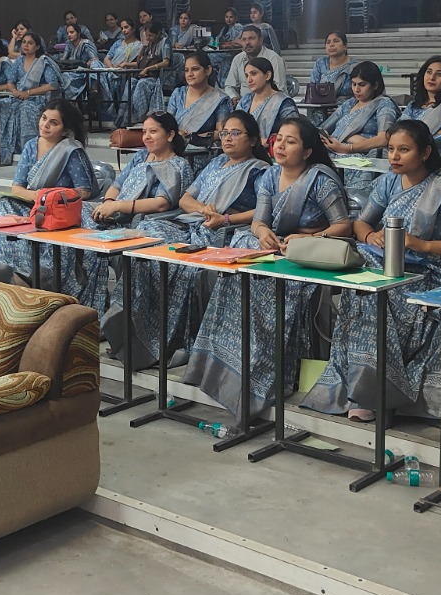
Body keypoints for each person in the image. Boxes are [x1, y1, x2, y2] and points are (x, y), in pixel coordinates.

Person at [303, 120, 441, 422]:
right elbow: (361, 222)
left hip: (428, 272)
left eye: (403, 150)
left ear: (425, 152)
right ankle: (361, 387)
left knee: (376, 296)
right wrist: (370, 236)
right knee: (362, 289)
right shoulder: (389, 182)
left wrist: (424, 245)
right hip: (386, 265)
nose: (394, 156)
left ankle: (373, 391)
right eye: (391, 149)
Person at [182, 117, 351, 421]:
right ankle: (224, 371)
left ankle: (260, 379)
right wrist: (262, 234)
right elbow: (259, 221)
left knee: (265, 290)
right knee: (236, 277)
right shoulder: (271, 176)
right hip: (274, 248)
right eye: (278, 139)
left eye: (291, 141)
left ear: (307, 151)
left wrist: (310, 238)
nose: (281, 146)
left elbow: (343, 225)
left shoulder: (320, 179)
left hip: (306, 254)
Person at [101, 110, 268, 368]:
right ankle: (128, 325)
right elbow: (185, 199)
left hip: (222, 233)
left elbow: (263, 210)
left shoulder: (260, 171)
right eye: (224, 133)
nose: (227, 138)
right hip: (193, 224)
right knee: (148, 238)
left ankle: (166, 340)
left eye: (235, 133)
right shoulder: (215, 163)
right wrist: (203, 209)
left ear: (253, 140)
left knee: (180, 265)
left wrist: (225, 218)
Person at [79, 112, 195, 310]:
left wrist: (118, 206)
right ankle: (81, 297)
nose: (146, 137)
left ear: (170, 135)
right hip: (116, 216)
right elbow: (116, 185)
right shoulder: (141, 157)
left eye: (153, 131)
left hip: (142, 221)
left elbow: (162, 203)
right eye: (144, 132)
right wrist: (108, 204)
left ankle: (120, 308)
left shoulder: (178, 165)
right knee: (80, 211)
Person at [0, 101, 97, 287]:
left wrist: (53, 197)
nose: (45, 125)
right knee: (6, 204)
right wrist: (39, 197)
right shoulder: (30, 146)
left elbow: (84, 191)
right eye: (44, 119)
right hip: (36, 204)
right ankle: (3, 266)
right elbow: (17, 187)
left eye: (53, 123)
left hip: (60, 208)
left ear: (65, 130)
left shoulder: (70, 151)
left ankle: (40, 275)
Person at [320, 61, 399, 205]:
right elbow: (325, 128)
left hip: (364, 159)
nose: (356, 89)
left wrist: (348, 147)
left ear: (375, 85)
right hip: (335, 153)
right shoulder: (349, 104)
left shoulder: (384, 104)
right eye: (354, 84)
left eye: (362, 85)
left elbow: (384, 139)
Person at [0, 33, 62, 164]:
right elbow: (10, 82)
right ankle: (8, 148)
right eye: (24, 42)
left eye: (30, 43)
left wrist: (28, 92)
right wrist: (15, 91)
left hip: (38, 98)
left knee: (26, 108)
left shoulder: (43, 61)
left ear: (37, 46)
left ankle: (30, 149)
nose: (26, 45)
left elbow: (52, 85)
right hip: (19, 96)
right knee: (3, 104)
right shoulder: (19, 61)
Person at [169, 51, 232, 149]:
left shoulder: (219, 99)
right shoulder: (178, 93)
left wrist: (197, 137)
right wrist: (177, 132)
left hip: (202, 150)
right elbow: (167, 123)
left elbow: (222, 132)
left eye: (195, 69)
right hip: (174, 147)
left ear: (208, 70)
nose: (190, 74)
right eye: (186, 70)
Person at [129, 21, 182, 125]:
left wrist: (148, 69)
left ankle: (142, 118)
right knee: (131, 83)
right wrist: (143, 47)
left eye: (150, 36)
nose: (148, 38)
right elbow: (139, 61)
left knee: (142, 84)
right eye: (146, 35)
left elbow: (166, 62)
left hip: (161, 77)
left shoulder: (165, 42)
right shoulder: (150, 44)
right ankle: (129, 118)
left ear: (158, 34)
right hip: (148, 75)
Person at [238, 57, 297, 141]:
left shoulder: (283, 102)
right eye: (247, 76)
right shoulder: (245, 100)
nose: (249, 80)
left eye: (253, 74)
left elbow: (293, 133)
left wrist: (269, 142)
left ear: (268, 75)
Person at [223, 27, 289, 101]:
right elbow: (229, 86)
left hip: (268, 102)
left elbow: (279, 88)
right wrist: (234, 97)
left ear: (261, 40)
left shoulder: (274, 58)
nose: (247, 42)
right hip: (243, 104)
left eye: (251, 38)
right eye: (244, 39)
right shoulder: (238, 59)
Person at [58, 22, 102, 103]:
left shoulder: (86, 43)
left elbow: (94, 59)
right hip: (74, 71)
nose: (69, 35)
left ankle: (94, 90)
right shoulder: (69, 44)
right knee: (64, 77)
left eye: (71, 32)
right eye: (67, 33)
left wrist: (84, 64)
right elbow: (63, 61)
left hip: (87, 71)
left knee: (95, 64)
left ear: (78, 33)